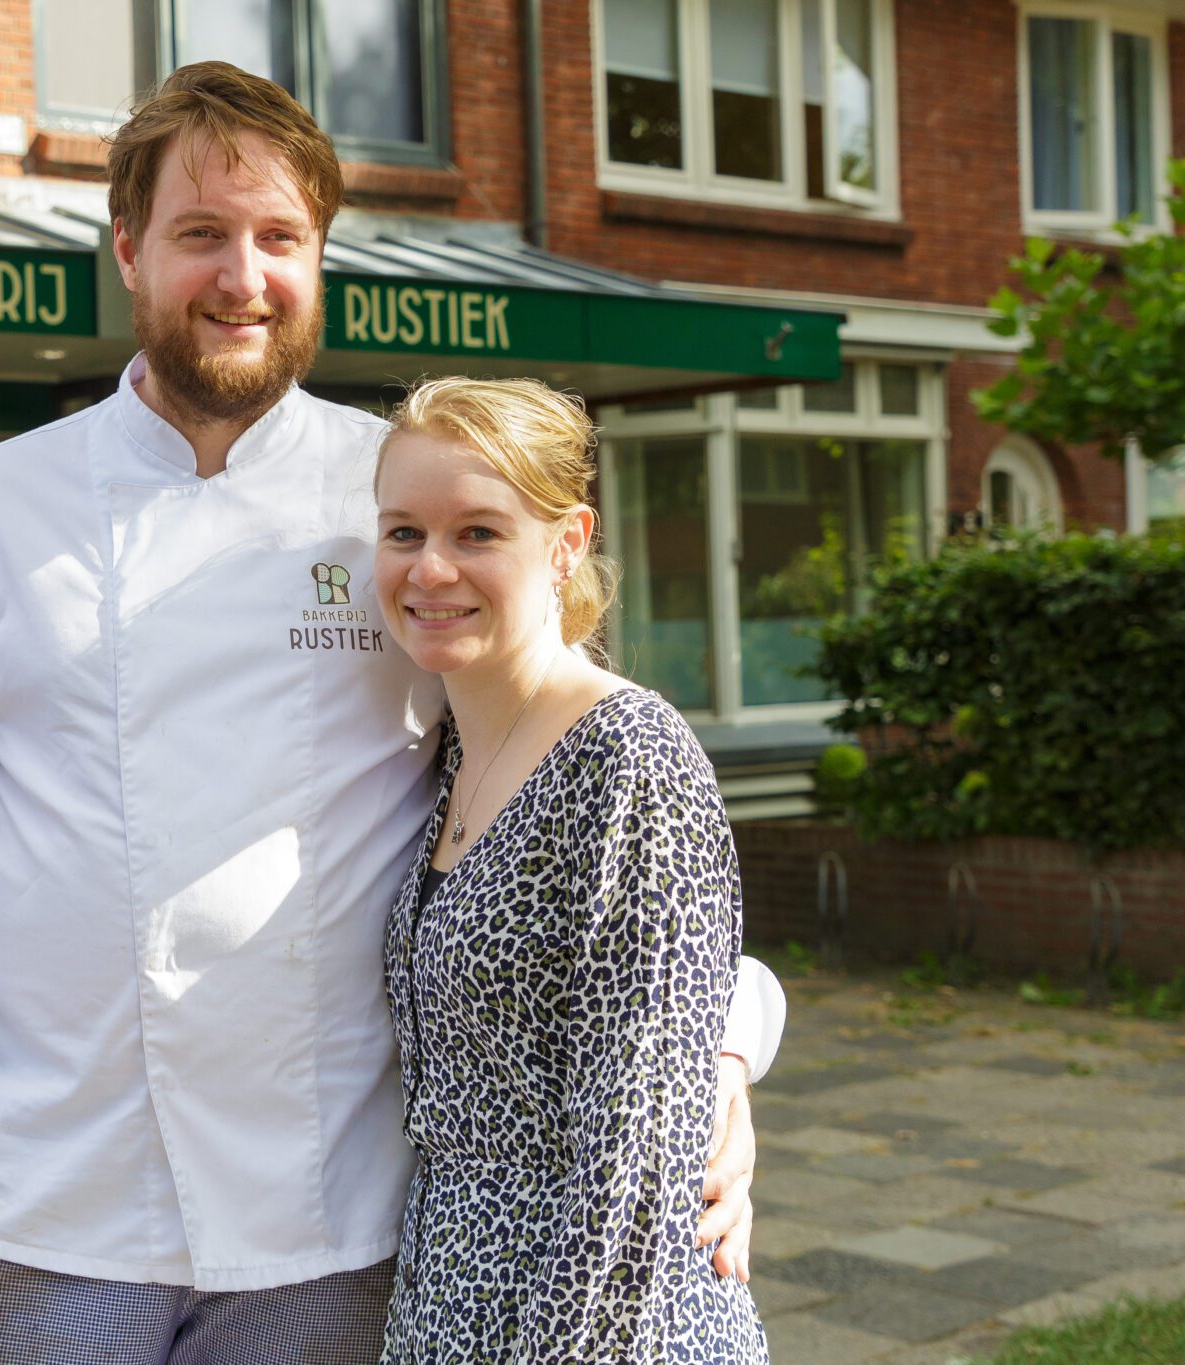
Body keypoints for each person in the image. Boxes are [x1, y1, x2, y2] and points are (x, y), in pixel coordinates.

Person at [0, 62, 785, 1365]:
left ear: (322, 260)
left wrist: (719, 1041)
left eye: (281, 239)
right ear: (131, 254)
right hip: (42, 1210)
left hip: (330, 1220)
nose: (242, 277)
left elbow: (587, 785)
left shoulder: (393, 499)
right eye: (202, 235)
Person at [372, 377, 768, 1361]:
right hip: (442, 1312)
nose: (430, 568)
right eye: (401, 532)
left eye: (475, 533)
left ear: (564, 542)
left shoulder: (627, 758)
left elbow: (635, 1163)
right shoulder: (447, 756)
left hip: (591, 1325)